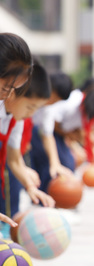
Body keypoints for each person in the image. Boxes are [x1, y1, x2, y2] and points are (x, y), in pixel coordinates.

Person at [0, 37, 56, 237]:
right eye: (7, 87)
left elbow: (14, 159)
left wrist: (30, 186)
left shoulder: (16, 119)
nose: (7, 95)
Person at [28, 71, 75, 192]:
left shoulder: (48, 109)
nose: (50, 102)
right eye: (52, 98)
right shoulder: (24, 96)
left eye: (55, 101)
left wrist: (55, 163)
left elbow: (48, 135)